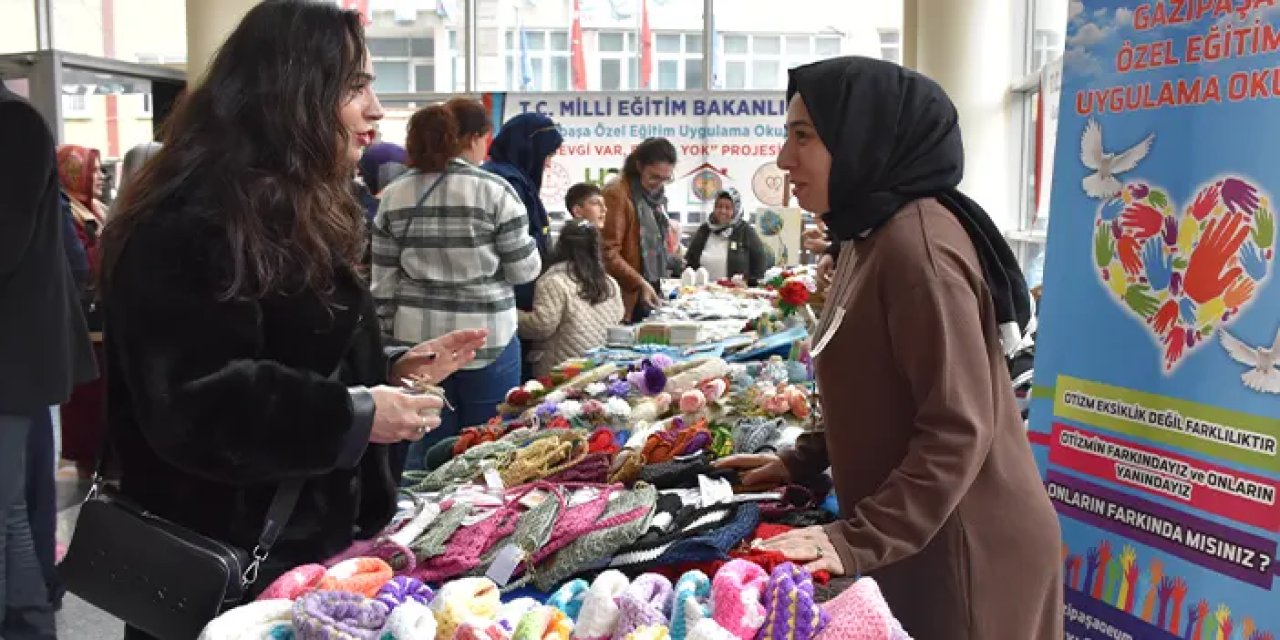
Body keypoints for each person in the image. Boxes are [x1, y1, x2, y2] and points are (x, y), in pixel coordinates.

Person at [96, 3, 487, 636]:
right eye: (355, 87)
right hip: (223, 570)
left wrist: (388, 370)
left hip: (291, 562)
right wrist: (357, 414)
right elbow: (196, 404)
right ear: (293, 92)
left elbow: (287, 351)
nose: (376, 109)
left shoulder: (286, 203)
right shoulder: (194, 217)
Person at [715, 57, 1061, 640]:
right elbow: (873, 386)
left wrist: (858, 538)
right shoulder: (868, 234)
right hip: (921, 536)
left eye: (803, 136)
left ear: (863, 136)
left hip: (967, 552)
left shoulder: (917, 252)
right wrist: (801, 459)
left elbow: (957, 428)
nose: (784, 158)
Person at [372, 98, 540, 475]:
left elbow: (382, 281)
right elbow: (523, 271)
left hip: (418, 346)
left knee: (420, 451)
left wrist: (386, 342)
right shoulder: (496, 191)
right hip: (488, 339)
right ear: (476, 139)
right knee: (487, 449)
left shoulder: (395, 194)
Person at [1, 78, 97, 640]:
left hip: (13, 364)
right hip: (17, 362)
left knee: (9, 513)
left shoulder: (12, 123)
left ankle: (30, 626)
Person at [518, 219, 625, 378]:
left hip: (561, 370)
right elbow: (619, 317)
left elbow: (541, 326)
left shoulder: (553, 282)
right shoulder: (609, 283)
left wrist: (514, 316)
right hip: (599, 367)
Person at [482, 112, 564, 312]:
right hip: (509, 295)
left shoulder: (508, 178)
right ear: (528, 150)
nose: (548, 164)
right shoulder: (509, 183)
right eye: (547, 156)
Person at [602, 137, 678, 322]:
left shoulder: (654, 196)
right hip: (626, 295)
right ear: (639, 166)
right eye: (654, 176)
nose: (659, 184)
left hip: (650, 289)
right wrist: (639, 282)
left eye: (665, 179)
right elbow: (607, 252)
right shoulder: (616, 194)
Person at [683, 187, 773, 284]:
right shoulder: (704, 229)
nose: (722, 211)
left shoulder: (746, 231)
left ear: (736, 209)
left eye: (727, 207)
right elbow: (690, 262)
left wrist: (749, 282)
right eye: (719, 206)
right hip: (702, 289)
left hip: (735, 290)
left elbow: (760, 266)